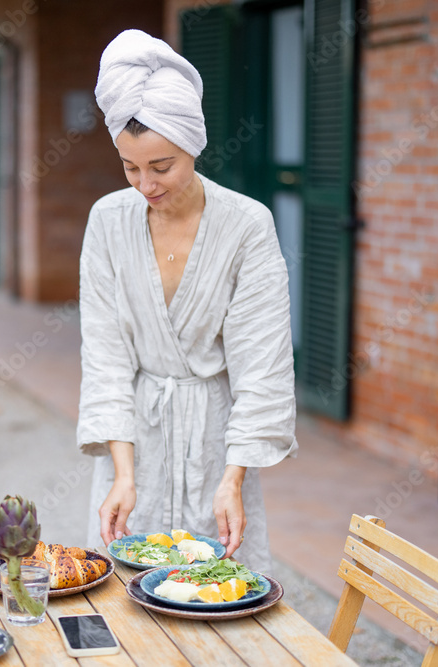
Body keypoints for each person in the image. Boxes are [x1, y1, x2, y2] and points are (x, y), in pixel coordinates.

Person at [77, 29, 297, 573]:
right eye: (130, 167)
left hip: (216, 445)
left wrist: (234, 477)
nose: (145, 184)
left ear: (193, 145)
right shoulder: (107, 221)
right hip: (134, 440)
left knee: (218, 593)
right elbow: (104, 357)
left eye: (162, 166)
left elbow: (261, 365)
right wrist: (124, 475)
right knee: (123, 596)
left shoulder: (247, 226)